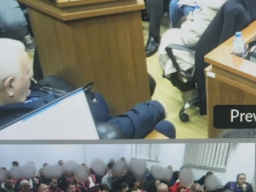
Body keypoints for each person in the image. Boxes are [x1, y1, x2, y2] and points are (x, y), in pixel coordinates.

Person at [0, 39, 175, 138]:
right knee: (165, 127)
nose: (31, 75)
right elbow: (107, 134)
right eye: (27, 72)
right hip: (103, 130)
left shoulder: (16, 96)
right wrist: (154, 109)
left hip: (89, 106)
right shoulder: (30, 126)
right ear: (10, 85)